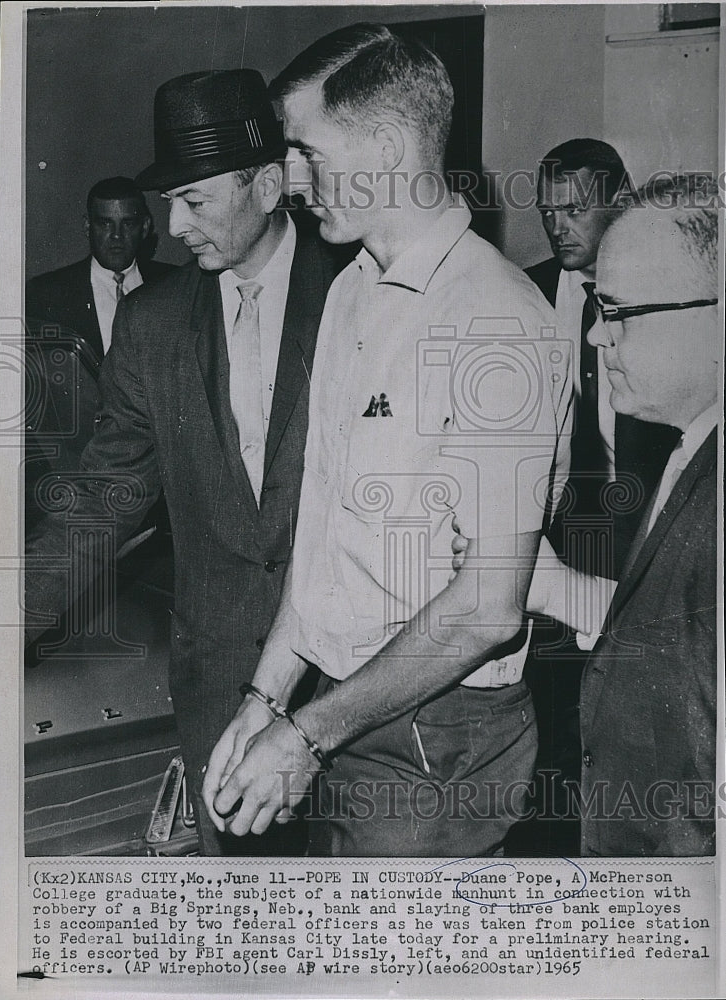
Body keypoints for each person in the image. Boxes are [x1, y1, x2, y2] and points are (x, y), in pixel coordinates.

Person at [203, 23, 572, 857]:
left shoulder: (496, 321)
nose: (290, 182)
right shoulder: (350, 291)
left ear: (387, 144)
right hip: (341, 709)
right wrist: (265, 699)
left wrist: (304, 737)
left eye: (306, 150)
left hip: (434, 738)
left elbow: (486, 607)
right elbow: (323, 538)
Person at [24, 69, 341, 855]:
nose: (170, 226)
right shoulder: (153, 322)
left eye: (193, 200)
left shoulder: (358, 293)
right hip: (220, 685)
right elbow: (101, 495)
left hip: (352, 688)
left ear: (268, 186)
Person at [511, 174, 718, 855]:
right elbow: (679, 650)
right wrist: (549, 585)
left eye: (619, 311)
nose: (598, 336)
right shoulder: (690, 448)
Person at [25, 177, 175, 361]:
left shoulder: (175, 283)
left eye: (127, 224)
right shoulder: (45, 294)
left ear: (144, 227)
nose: (116, 235)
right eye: (105, 223)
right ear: (88, 226)